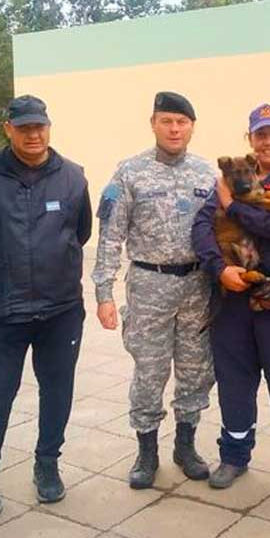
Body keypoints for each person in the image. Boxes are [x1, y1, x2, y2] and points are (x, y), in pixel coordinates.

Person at [0, 94, 92, 517]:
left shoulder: (73, 177)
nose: (34, 134)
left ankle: (47, 465)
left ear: (49, 127)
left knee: (57, 392)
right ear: (7, 129)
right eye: (24, 127)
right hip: (0, 311)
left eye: (40, 126)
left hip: (60, 309)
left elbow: (79, 232)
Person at [191, 104, 270, 495]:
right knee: (234, 380)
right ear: (250, 140)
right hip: (234, 296)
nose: (267, 141)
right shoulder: (229, 177)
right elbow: (200, 227)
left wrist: (232, 207)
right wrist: (218, 269)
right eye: (260, 134)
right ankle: (233, 457)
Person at [92, 91, 216, 489]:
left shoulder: (207, 174)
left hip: (198, 287)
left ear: (192, 126)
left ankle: (185, 444)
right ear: (153, 123)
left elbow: (224, 229)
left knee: (196, 370)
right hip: (149, 286)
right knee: (149, 371)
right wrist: (104, 293)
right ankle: (146, 453)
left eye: (182, 122)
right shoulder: (129, 172)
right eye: (167, 121)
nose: (175, 128)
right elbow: (110, 235)